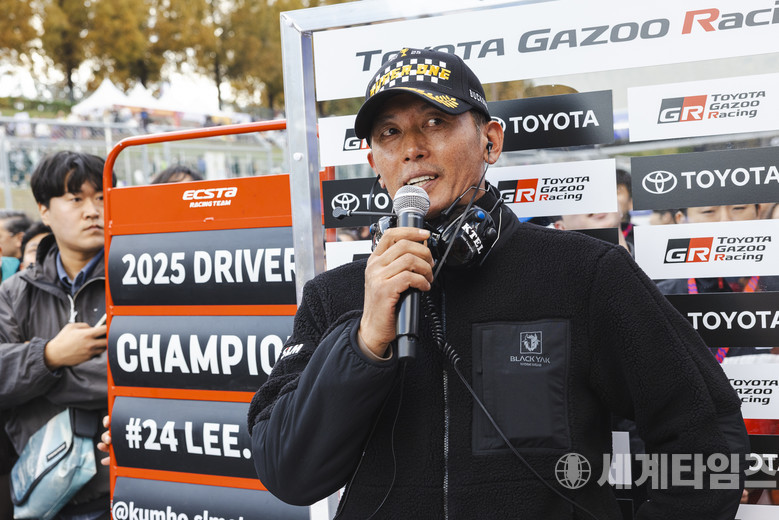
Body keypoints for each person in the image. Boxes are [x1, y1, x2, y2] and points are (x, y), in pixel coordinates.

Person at [246, 48, 747, 519]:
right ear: (375, 164)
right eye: (390, 133)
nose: (413, 148)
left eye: (436, 122)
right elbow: (288, 473)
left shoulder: (587, 273)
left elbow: (709, 440)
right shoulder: (334, 296)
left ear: (491, 141)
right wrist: (364, 341)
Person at [0, 151, 113, 520]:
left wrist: (38, 376)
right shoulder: (14, 292)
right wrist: (49, 355)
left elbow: (145, 371)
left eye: (102, 197)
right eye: (75, 199)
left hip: (124, 485)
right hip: (44, 490)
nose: (93, 211)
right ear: (44, 210)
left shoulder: (138, 279)